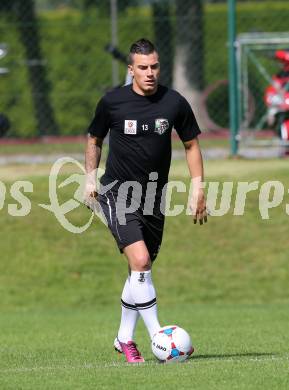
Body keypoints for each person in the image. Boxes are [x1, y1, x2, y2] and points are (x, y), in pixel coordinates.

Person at [84, 38, 207, 363]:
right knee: (140, 261)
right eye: (142, 67)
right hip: (116, 193)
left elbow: (191, 145)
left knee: (139, 270)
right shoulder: (113, 102)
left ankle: (124, 337)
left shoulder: (175, 102)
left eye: (154, 66)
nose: (149, 73)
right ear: (131, 70)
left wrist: (198, 186)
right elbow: (94, 138)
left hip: (153, 198)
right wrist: (89, 177)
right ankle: (159, 336)